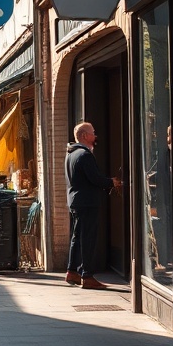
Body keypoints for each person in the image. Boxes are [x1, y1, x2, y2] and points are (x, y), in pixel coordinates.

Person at [65, 121, 121, 289]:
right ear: (84, 136)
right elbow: (95, 178)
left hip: (75, 201)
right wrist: (112, 182)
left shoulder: (71, 154)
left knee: (77, 237)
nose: (95, 136)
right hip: (87, 202)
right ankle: (87, 275)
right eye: (93, 133)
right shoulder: (85, 155)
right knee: (88, 238)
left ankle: (72, 271)